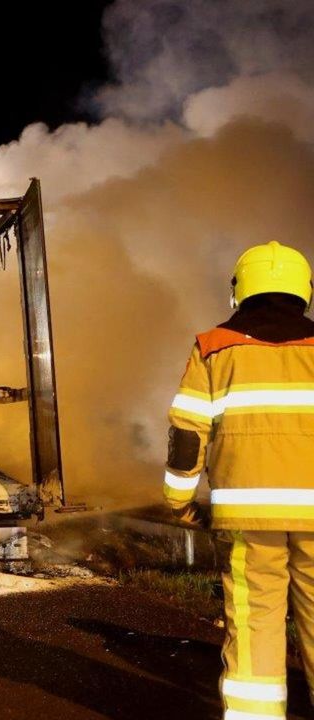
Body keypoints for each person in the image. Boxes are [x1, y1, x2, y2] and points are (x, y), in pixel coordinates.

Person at [165, 241, 314, 719]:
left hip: (248, 520)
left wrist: (180, 501)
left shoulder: (213, 349)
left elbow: (188, 435)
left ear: (239, 292)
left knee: (254, 625)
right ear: (304, 290)